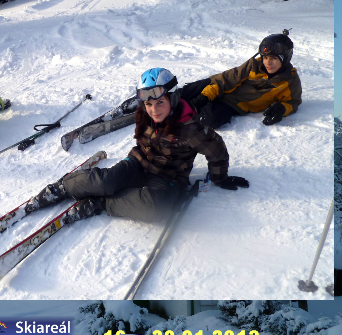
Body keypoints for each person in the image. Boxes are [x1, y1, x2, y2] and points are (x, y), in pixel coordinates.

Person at [25, 68, 249, 223]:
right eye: (148, 104)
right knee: (106, 181)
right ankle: (62, 188)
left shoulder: (191, 128)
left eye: (160, 103)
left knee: (155, 209)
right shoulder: (146, 114)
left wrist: (220, 177)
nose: (154, 110)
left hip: (168, 178)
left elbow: (217, 151)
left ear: (172, 99)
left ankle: (100, 204)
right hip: (139, 163)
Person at [181, 30, 302, 129]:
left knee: (208, 120)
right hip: (217, 86)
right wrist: (205, 96)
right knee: (185, 93)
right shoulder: (253, 65)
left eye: (273, 58)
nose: (268, 63)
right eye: (265, 58)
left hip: (232, 103)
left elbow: (293, 102)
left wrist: (281, 109)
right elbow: (226, 79)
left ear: (285, 59)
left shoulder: (290, 80)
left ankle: (189, 112)